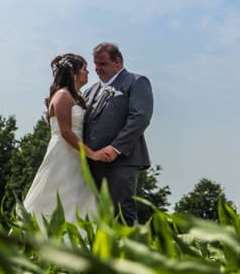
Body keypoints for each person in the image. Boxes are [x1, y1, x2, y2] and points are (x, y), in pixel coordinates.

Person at [23, 53, 100, 226]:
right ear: (74, 73)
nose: (88, 72)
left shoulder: (75, 97)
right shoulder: (62, 95)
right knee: (55, 195)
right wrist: (92, 154)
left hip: (76, 154)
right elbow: (65, 131)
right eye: (84, 68)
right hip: (64, 153)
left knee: (77, 199)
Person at [83, 42, 153, 225]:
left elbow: (140, 118)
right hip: (93, 162)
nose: (98, 69)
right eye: (95, 64)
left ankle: (129, 252)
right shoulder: (90, 91)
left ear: (118, 63)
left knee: (122, 212)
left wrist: (115, 148)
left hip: (122, 161)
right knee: (97, 215)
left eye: (103, 64)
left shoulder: (136, 82)